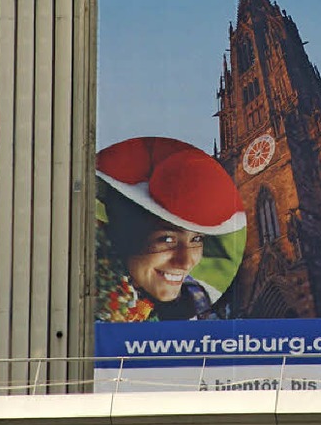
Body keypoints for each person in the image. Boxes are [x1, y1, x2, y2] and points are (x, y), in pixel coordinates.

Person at [95, 136, 246, 322]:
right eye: (167, 239)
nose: (185, 262)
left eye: (197, 239)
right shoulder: (92, 294)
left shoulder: (200, 300)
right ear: (125, 238)